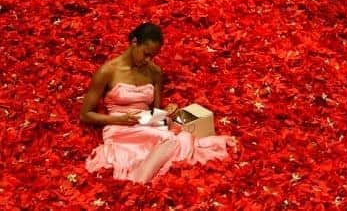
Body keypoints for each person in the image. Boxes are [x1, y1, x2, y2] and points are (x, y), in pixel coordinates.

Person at [81, 23, 233, 183]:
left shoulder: (155, 72)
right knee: (172, 140)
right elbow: (85, 115)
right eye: (146, 54)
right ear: (134, 42)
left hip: (148, 121)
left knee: (183, 137)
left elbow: (156, 111)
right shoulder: (108, 71)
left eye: (152, 56)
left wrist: (168, 111)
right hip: (120, 126)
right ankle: (139, 180)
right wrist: (119, 120)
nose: (148, 60)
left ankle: (149, 168)